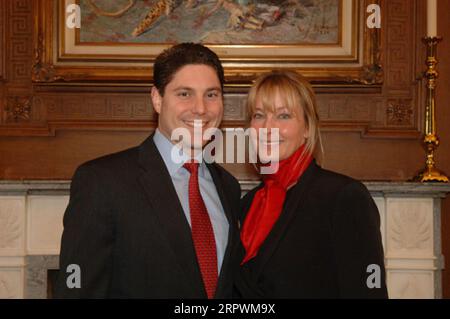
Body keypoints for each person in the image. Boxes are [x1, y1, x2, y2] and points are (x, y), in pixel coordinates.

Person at [55, 43, 241, 298]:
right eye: (184, 94)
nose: (200, 108)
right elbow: (76, 290)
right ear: (157, 98)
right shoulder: (102, 182)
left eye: (211, 94)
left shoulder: (228, 187)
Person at [236, 70, 388, 298]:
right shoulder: (249, 203)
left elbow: (369, 291)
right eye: (259, 115)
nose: (268, 128)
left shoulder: (344, 197)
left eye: (283, 116)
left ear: (307, 128)